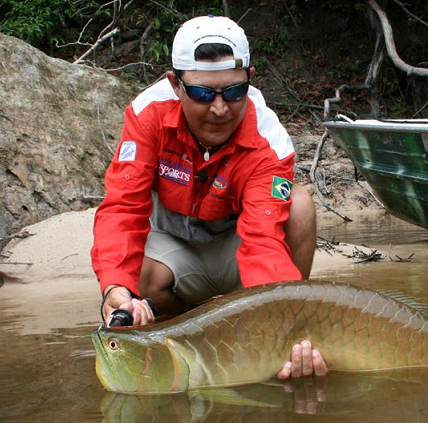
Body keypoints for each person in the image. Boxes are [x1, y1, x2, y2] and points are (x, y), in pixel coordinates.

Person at [91, 15, 327, 379]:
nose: (220, 108)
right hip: (175, 246)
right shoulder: (146, 114)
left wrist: (286, 326)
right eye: (203, 93)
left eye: (234, 92)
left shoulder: (270, 140)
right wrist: (115, 290)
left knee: (299, 207)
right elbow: (123, 208)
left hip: (237, 247)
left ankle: (287, 332)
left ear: (250, 78)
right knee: (135, 275)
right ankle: (180, 330)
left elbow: (263, 242)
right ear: (175, 84)